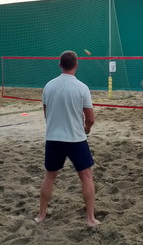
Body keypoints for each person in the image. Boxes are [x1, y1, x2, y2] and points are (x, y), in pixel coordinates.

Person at [35, 51, 100, 227]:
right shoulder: (81, 87)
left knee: (49, 176)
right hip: (75, 138)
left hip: (54, 137)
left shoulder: (48, 86)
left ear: (59, 65)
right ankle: (90, 219)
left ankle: (41, 216)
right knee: (86, 176)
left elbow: (46, 114)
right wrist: (86, 129)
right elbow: (91, 118)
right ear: (76, 64)